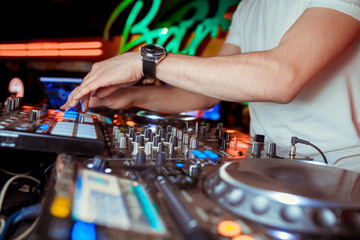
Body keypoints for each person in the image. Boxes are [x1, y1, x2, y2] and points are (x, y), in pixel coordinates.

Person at [62, 0, 360, 172]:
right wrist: (131, 96)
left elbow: (282, 77)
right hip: (268, 167)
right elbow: (205, 93)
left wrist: (145, 61)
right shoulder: (249, 6)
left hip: (342, 174)